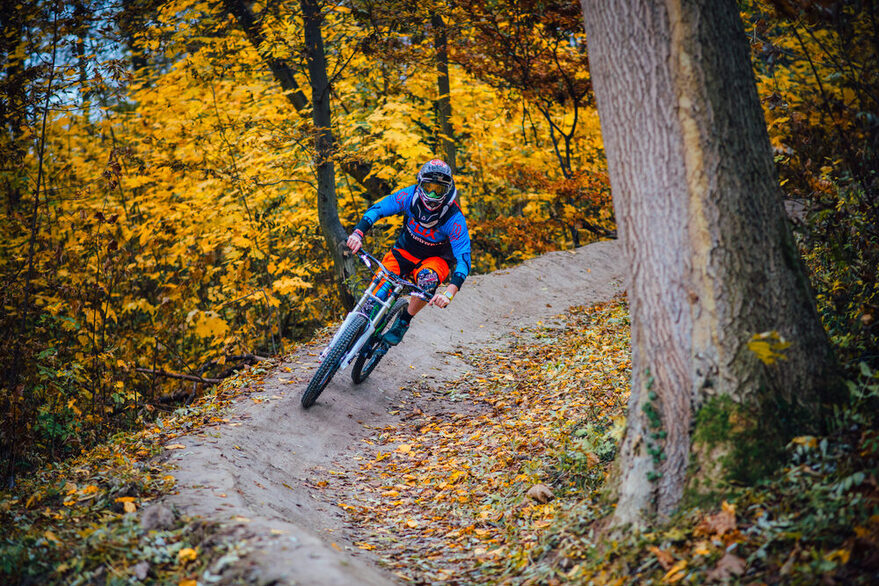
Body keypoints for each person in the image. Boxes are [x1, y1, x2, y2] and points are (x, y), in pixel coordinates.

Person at [346, 159, 471, 346]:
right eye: (428, 187)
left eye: (439, 190)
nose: (432, 194)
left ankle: (404, 320)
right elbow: (379, 209)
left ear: (447, 191)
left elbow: (464, 259)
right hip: (403, 252)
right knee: (374, 297)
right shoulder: (408, 195)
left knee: (427, 281)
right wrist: (358, 233)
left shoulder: (454, 219)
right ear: (420, 183)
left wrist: (449, 294)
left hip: (434, 260)